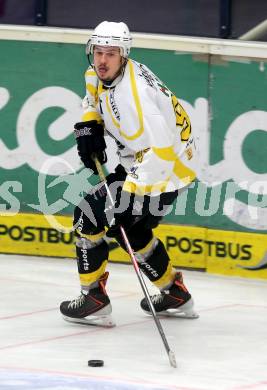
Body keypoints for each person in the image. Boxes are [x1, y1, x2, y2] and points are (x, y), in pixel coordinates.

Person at [60, 21, 198, 327]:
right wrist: (88, 126)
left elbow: (160, 152)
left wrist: (131, 196)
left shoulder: (135, 97)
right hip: (150, 159)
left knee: (88, 215)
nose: (102, 60)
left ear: (123, 55)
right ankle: (174, 293)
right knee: (132, 232)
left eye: (111, 53)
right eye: (98, 52)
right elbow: (91, 99)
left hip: (164, 167)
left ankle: (92, 298)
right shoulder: (102, 75)